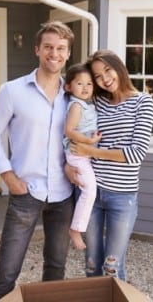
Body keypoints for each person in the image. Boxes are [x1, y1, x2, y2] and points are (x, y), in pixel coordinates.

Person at [0, 21, 75, 302]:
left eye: (61, 48)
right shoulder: (13, 90)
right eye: (48, 47)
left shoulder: (73, 96)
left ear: (68, 54)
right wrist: (7, 175)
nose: (54, 53)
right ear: (37, 49)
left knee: (56, 267)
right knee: (7, 271)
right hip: (26, 192)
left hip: (63, 193)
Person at [67, 49, 153, 281]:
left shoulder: (143, 102)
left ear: (119, 67)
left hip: (122, 197)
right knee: (91, 264)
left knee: (112, 267)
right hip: (90, 192)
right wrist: (68, 165)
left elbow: (136, 153)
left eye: (107, 70)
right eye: (97, 76)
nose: (104, 79)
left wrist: (91, 151)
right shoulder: (97, 101)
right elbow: (69, 127)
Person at [62, 63, 102, 250]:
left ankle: (77, 228)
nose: (85, 88)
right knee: (89, 190)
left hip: (83, 153)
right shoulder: (76, 106)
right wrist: (89, 142)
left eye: (89, 84)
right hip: (78, 154)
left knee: (87, 189)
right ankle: (75, 230)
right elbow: (69, 131)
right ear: (68, 87)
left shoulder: (87, 105)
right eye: (80, 84)